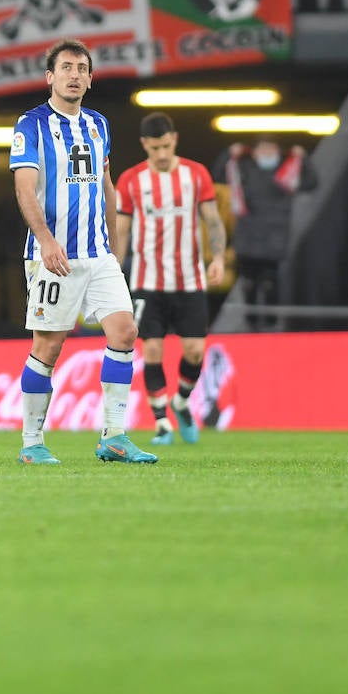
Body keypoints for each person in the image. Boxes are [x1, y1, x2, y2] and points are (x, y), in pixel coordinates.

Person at [10, 38, 155, 465]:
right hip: (53, 256)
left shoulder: (98, 125)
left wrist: (111, 244)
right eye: (67, 67)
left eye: (82, 68)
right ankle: (32, 443)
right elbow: (24, 188)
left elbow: (106, 187)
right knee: (48, 346)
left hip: (98, 254)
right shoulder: (31, 125)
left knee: (125, 331)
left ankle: (114, 435)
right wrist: (46, 239)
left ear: (90, 79)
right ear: (50, 77)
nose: (75, 74)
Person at [114, 112, 226, 445]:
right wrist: (112, 275)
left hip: (190, 280)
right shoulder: (131, 180)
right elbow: (121, 230)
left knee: (194, 351)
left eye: (166, 146)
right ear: (144, 145)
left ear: (174, 139)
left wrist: (217, 258)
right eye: (154, 148)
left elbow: (213, 220)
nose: (161, 155)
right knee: (151, 351)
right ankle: (162, 422)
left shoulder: (196, 174)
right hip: (148, 281)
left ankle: (180, 402)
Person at [214, 137, 318, 329]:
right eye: (262, 149)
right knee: (249, 284)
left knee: (271, 284)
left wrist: (304, 160)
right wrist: (228, 154)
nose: (267, 154)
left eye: (271, 149)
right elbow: (218, 175)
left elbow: (311, 183)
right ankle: (251, 322)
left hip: (275, 239)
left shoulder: (288, 171)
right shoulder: (244, 168)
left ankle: (271, 323)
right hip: (247, 238)